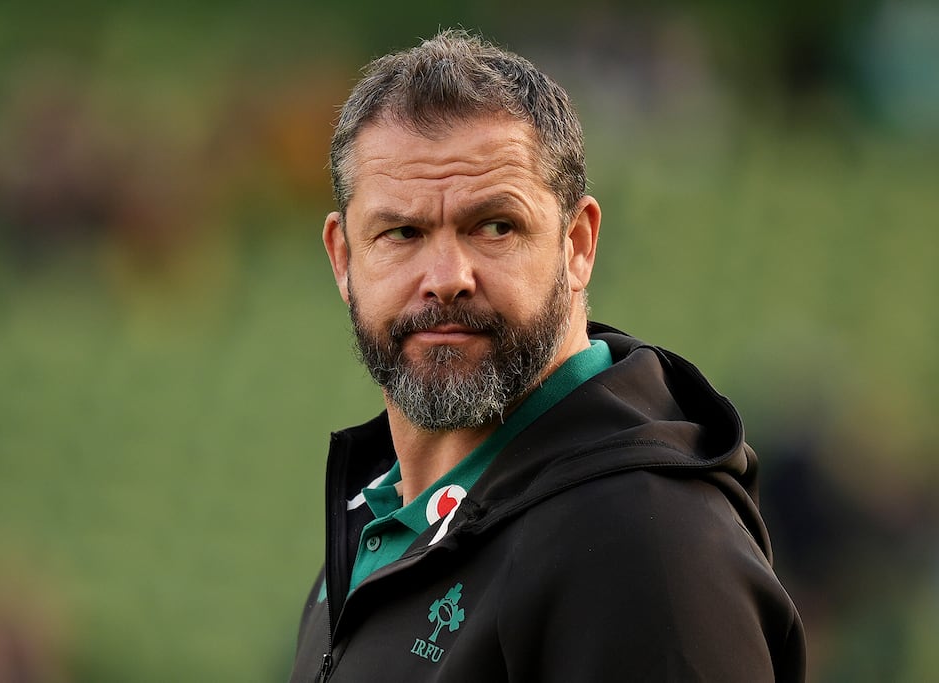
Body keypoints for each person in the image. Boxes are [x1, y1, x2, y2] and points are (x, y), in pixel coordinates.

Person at [289, 29, 805, 682]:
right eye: (402, 232)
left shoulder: (645, 547)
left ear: (578, 244)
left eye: (495, 226)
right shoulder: (376, 526)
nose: (446, 275)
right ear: (344, 259)